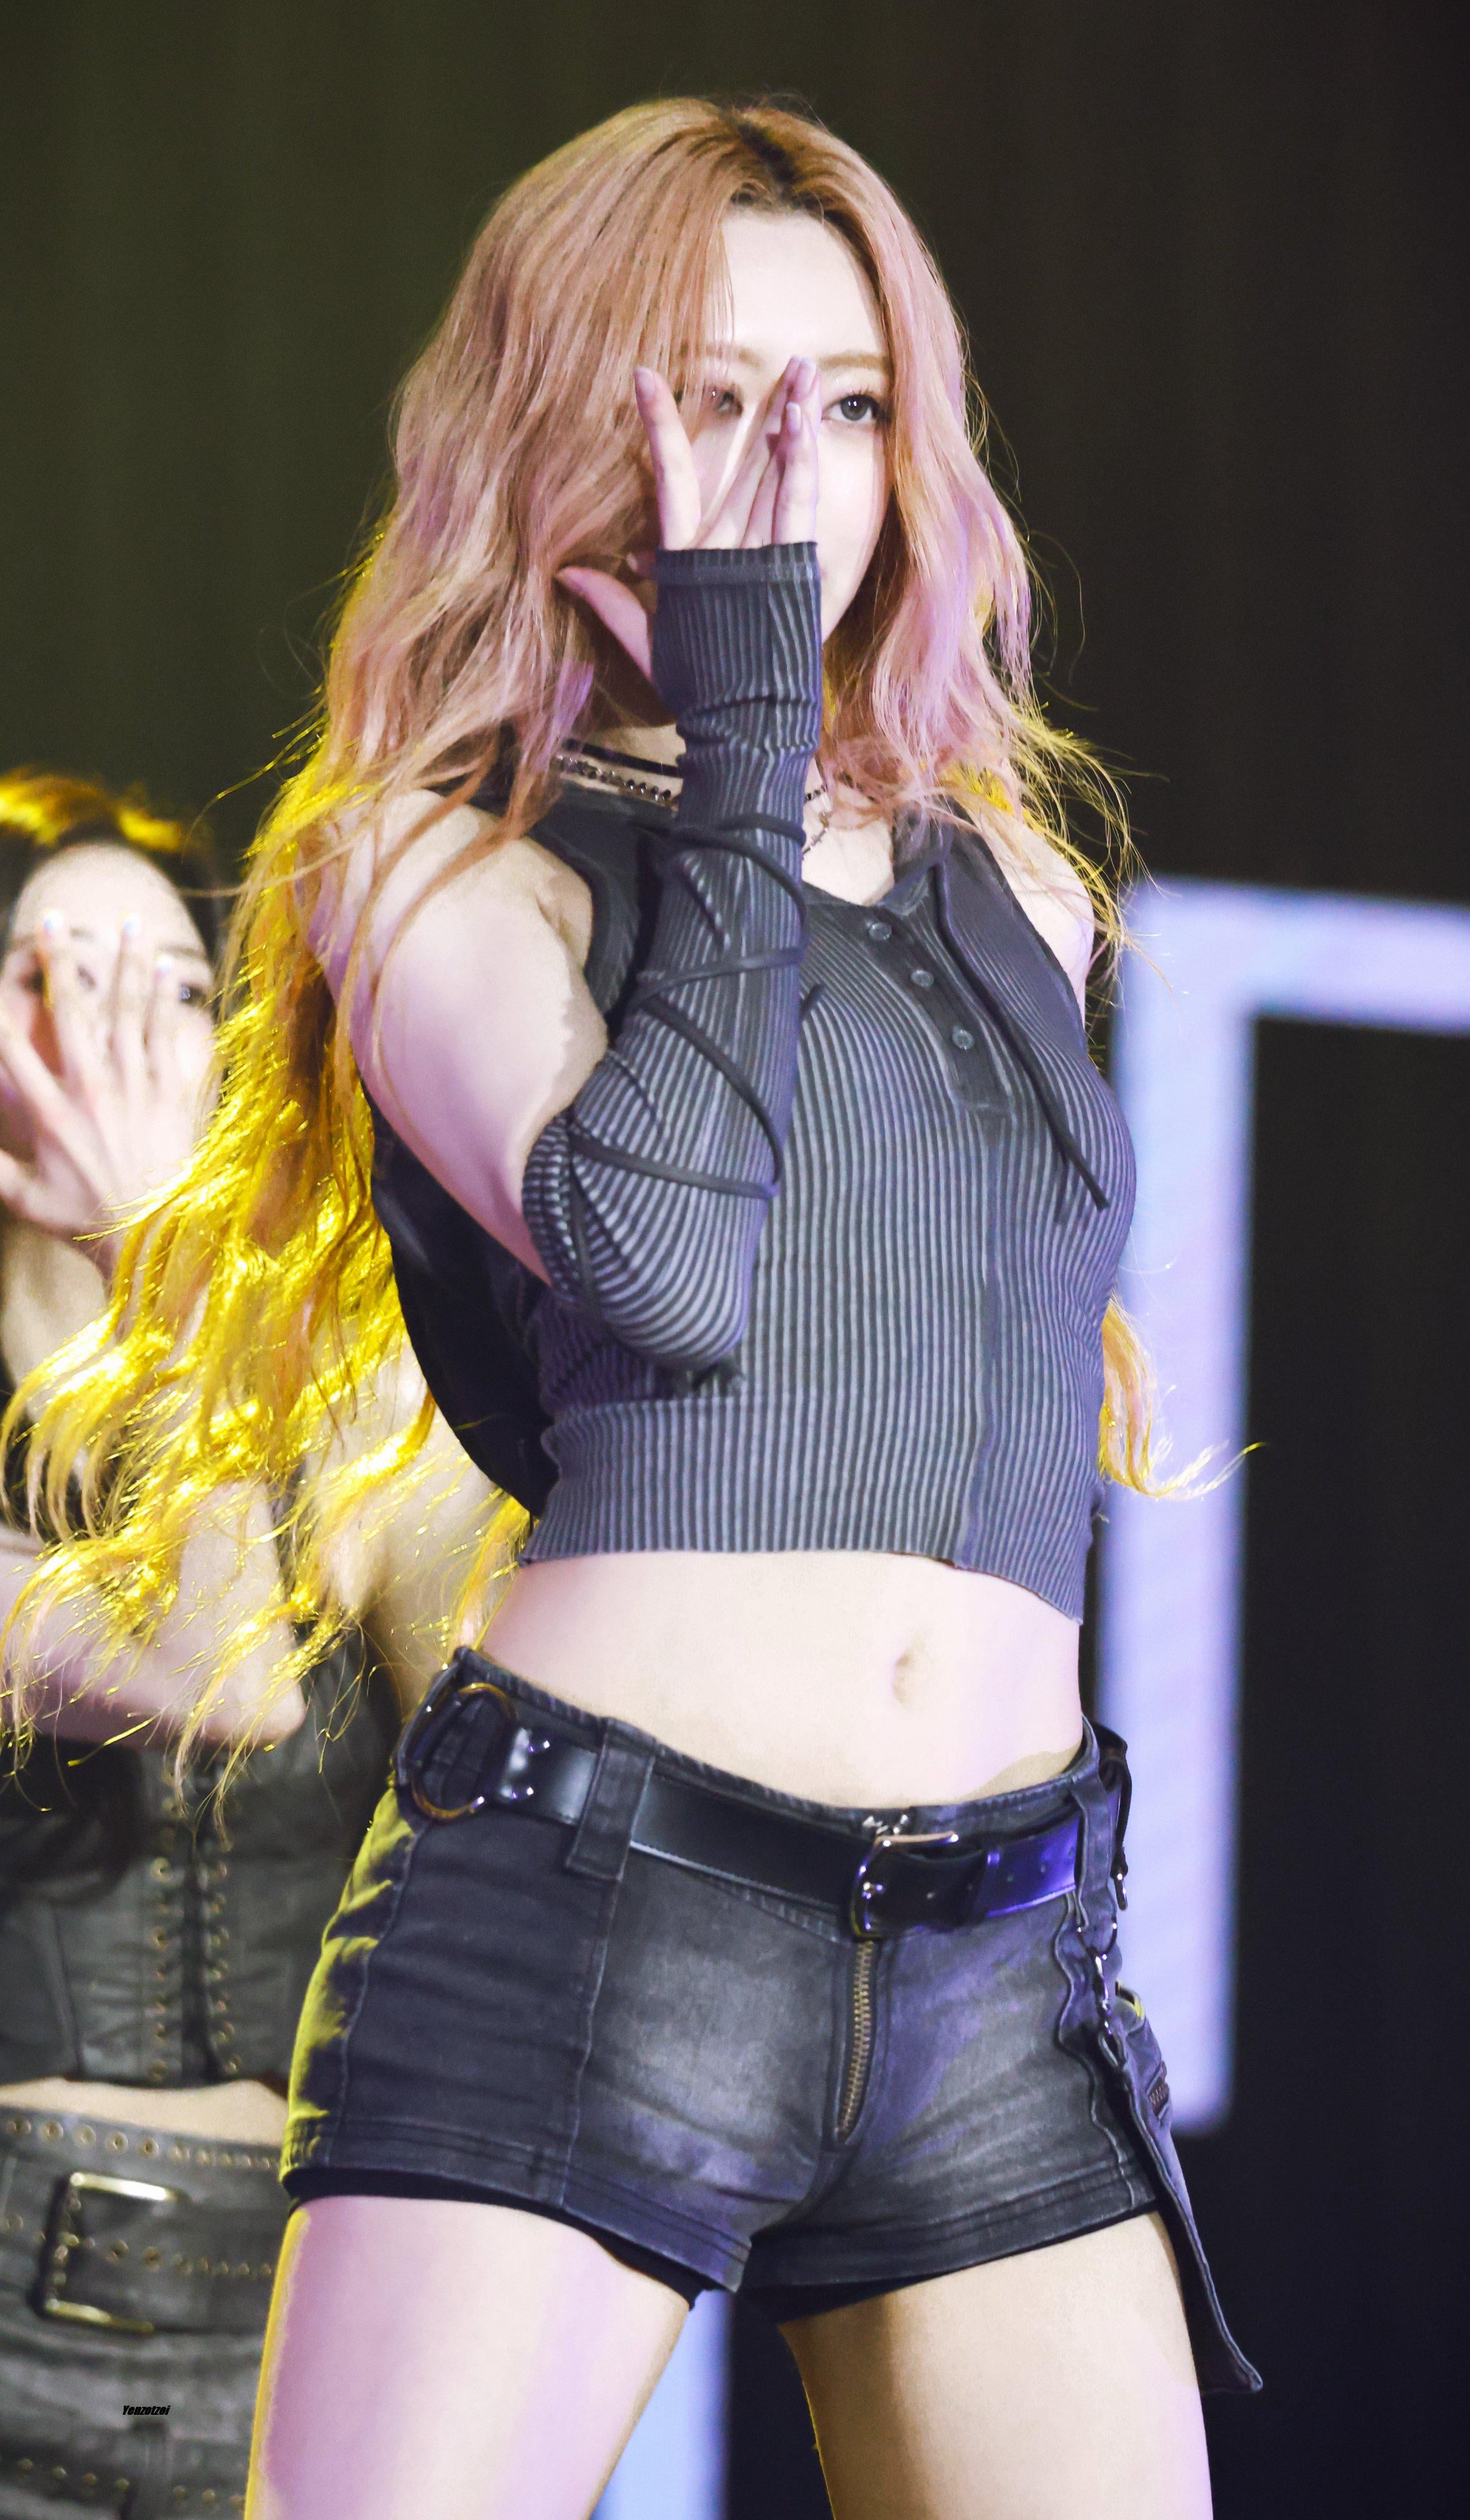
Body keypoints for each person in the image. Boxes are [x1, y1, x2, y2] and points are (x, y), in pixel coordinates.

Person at [13, 102, 1258, 2520]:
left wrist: (795, 740)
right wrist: (746, 723)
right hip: (601, 1900)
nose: (794, 466)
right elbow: (664, 1260)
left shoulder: (1020, 880)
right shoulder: (433, 860)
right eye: (720, 397)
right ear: (572, 422)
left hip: (999, 1944)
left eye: (851, 402)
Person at [0, 774, 490, 2520]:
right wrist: (158, 1259)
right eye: (55, 977)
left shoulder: (349, 1403)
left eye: (175, 989)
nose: (118, 1036)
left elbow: (492, 1790)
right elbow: (210, 1669)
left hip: (303, 2321)